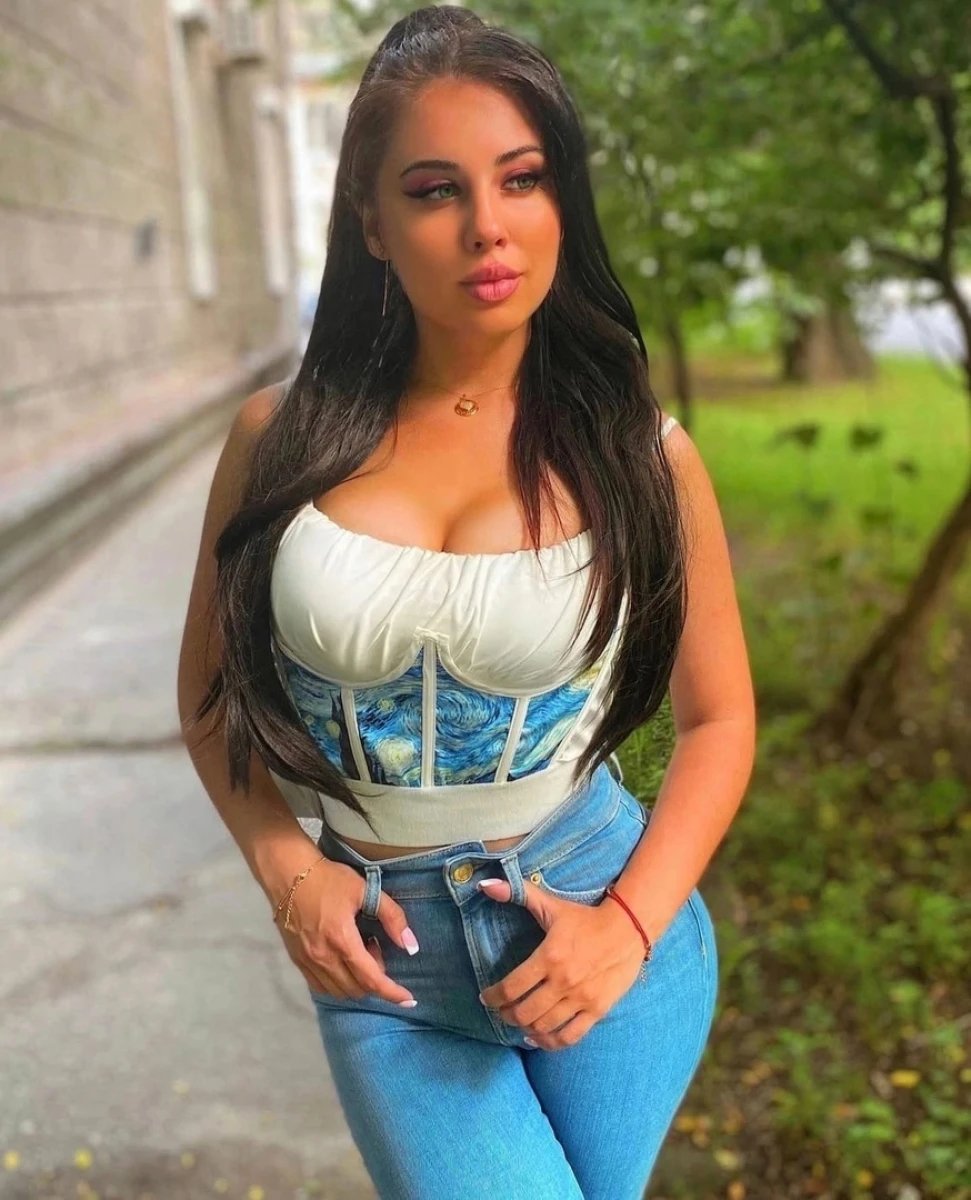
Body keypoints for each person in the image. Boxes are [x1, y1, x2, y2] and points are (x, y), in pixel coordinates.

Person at [177, 6, 756, 1197]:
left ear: (560, 199)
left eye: (521, 179)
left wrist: (627, 927)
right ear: (370, 222)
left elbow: (718, 720)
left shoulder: (640, 455)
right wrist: (287, 868)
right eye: (435, 190)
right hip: (387, 974)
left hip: (600, 925)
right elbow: (207, 696)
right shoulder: (277, 441)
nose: (487, 225)